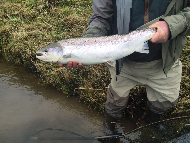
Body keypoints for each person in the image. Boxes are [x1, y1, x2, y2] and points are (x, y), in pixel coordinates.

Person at [59, 0, 190, 138]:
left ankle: (150, 124)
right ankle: (110, 126)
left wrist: (171, 25)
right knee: (115, 101)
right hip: (123, 63)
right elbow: (101, 17)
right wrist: (87, 43)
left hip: (166, 62)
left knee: (164, 101)